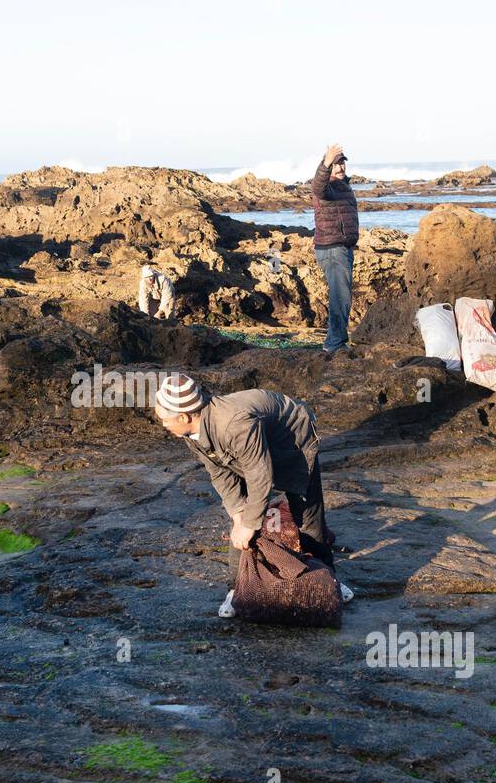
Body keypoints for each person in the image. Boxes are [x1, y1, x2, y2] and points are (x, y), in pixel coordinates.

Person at [153, 373, 354, 602]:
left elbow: (260, 477)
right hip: (252, 452)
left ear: (183, 417)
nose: (162, 424)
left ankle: (329, 581)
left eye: (164, 419)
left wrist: (250, 523)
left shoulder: (235, 424)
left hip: (293, 440)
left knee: (307, 517)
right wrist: (239, 516)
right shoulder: (191, 432)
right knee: (241, 524)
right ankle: (237, 589)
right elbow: (219, 472)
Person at [311, 143, 360, 357]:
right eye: (336, 165)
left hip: (342, 248)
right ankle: (334, 343)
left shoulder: (343, 186)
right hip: (332, 249)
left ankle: (336, 340)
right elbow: (317, 186)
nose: (340, 168)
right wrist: (325, 163)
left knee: (341, 296)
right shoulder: (327, 186)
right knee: (340, 297)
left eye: (342, 164)